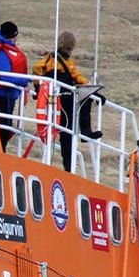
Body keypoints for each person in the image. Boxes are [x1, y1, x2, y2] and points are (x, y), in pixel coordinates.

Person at [31, 30, 94, 171]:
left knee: (64, 134)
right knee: (67, 136)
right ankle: (70, 165)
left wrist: (38, 88)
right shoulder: (62, 61)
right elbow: (77, 77)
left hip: (59, 101)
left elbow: (36, 70)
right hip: (64, 101)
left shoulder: (52, 59)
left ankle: (85, 134)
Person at [0, 21, 27, 151]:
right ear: (14, 36)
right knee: (2, 130)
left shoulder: (3, 49)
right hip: (1, 97)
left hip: (8, 97)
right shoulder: (1, 52)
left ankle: (1, 152)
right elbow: (5, 76)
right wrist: (24, 81)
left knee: (5, 129)